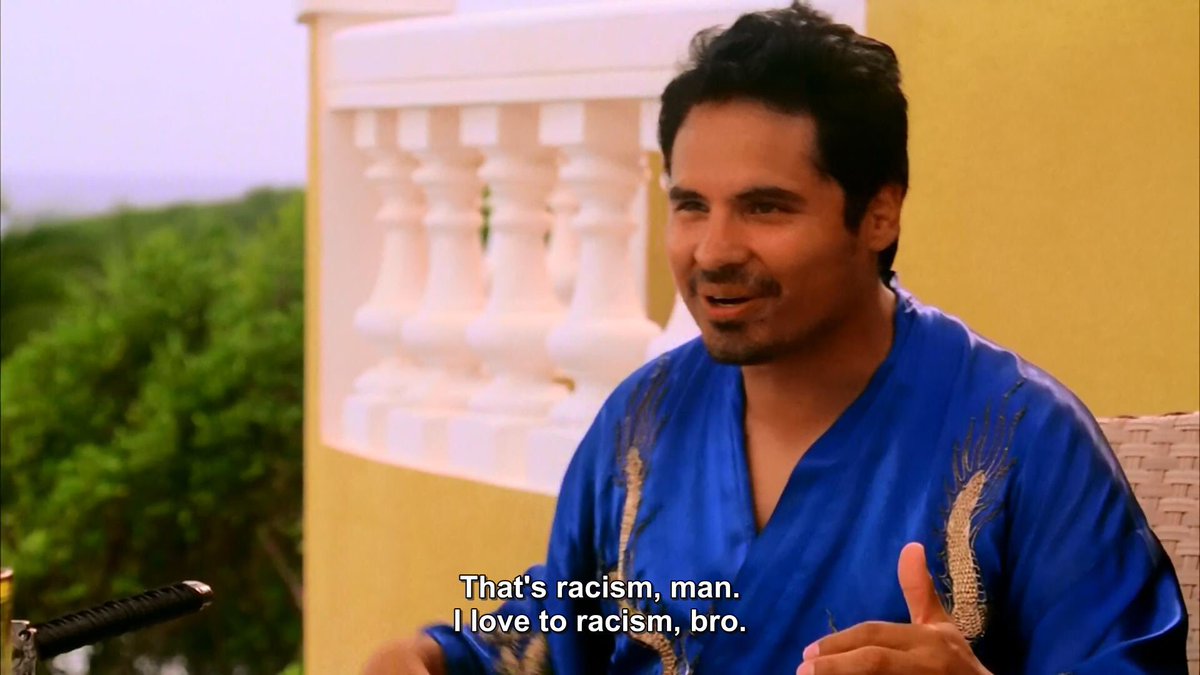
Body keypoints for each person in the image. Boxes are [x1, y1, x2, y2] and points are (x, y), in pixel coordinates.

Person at [365, 3, 1189, 673]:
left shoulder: (1022, 440)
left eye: (764, 207)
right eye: (691, 205)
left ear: (879, 213)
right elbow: (569, 612)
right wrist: (435, 658)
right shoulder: (641, 422)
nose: (713, 250)